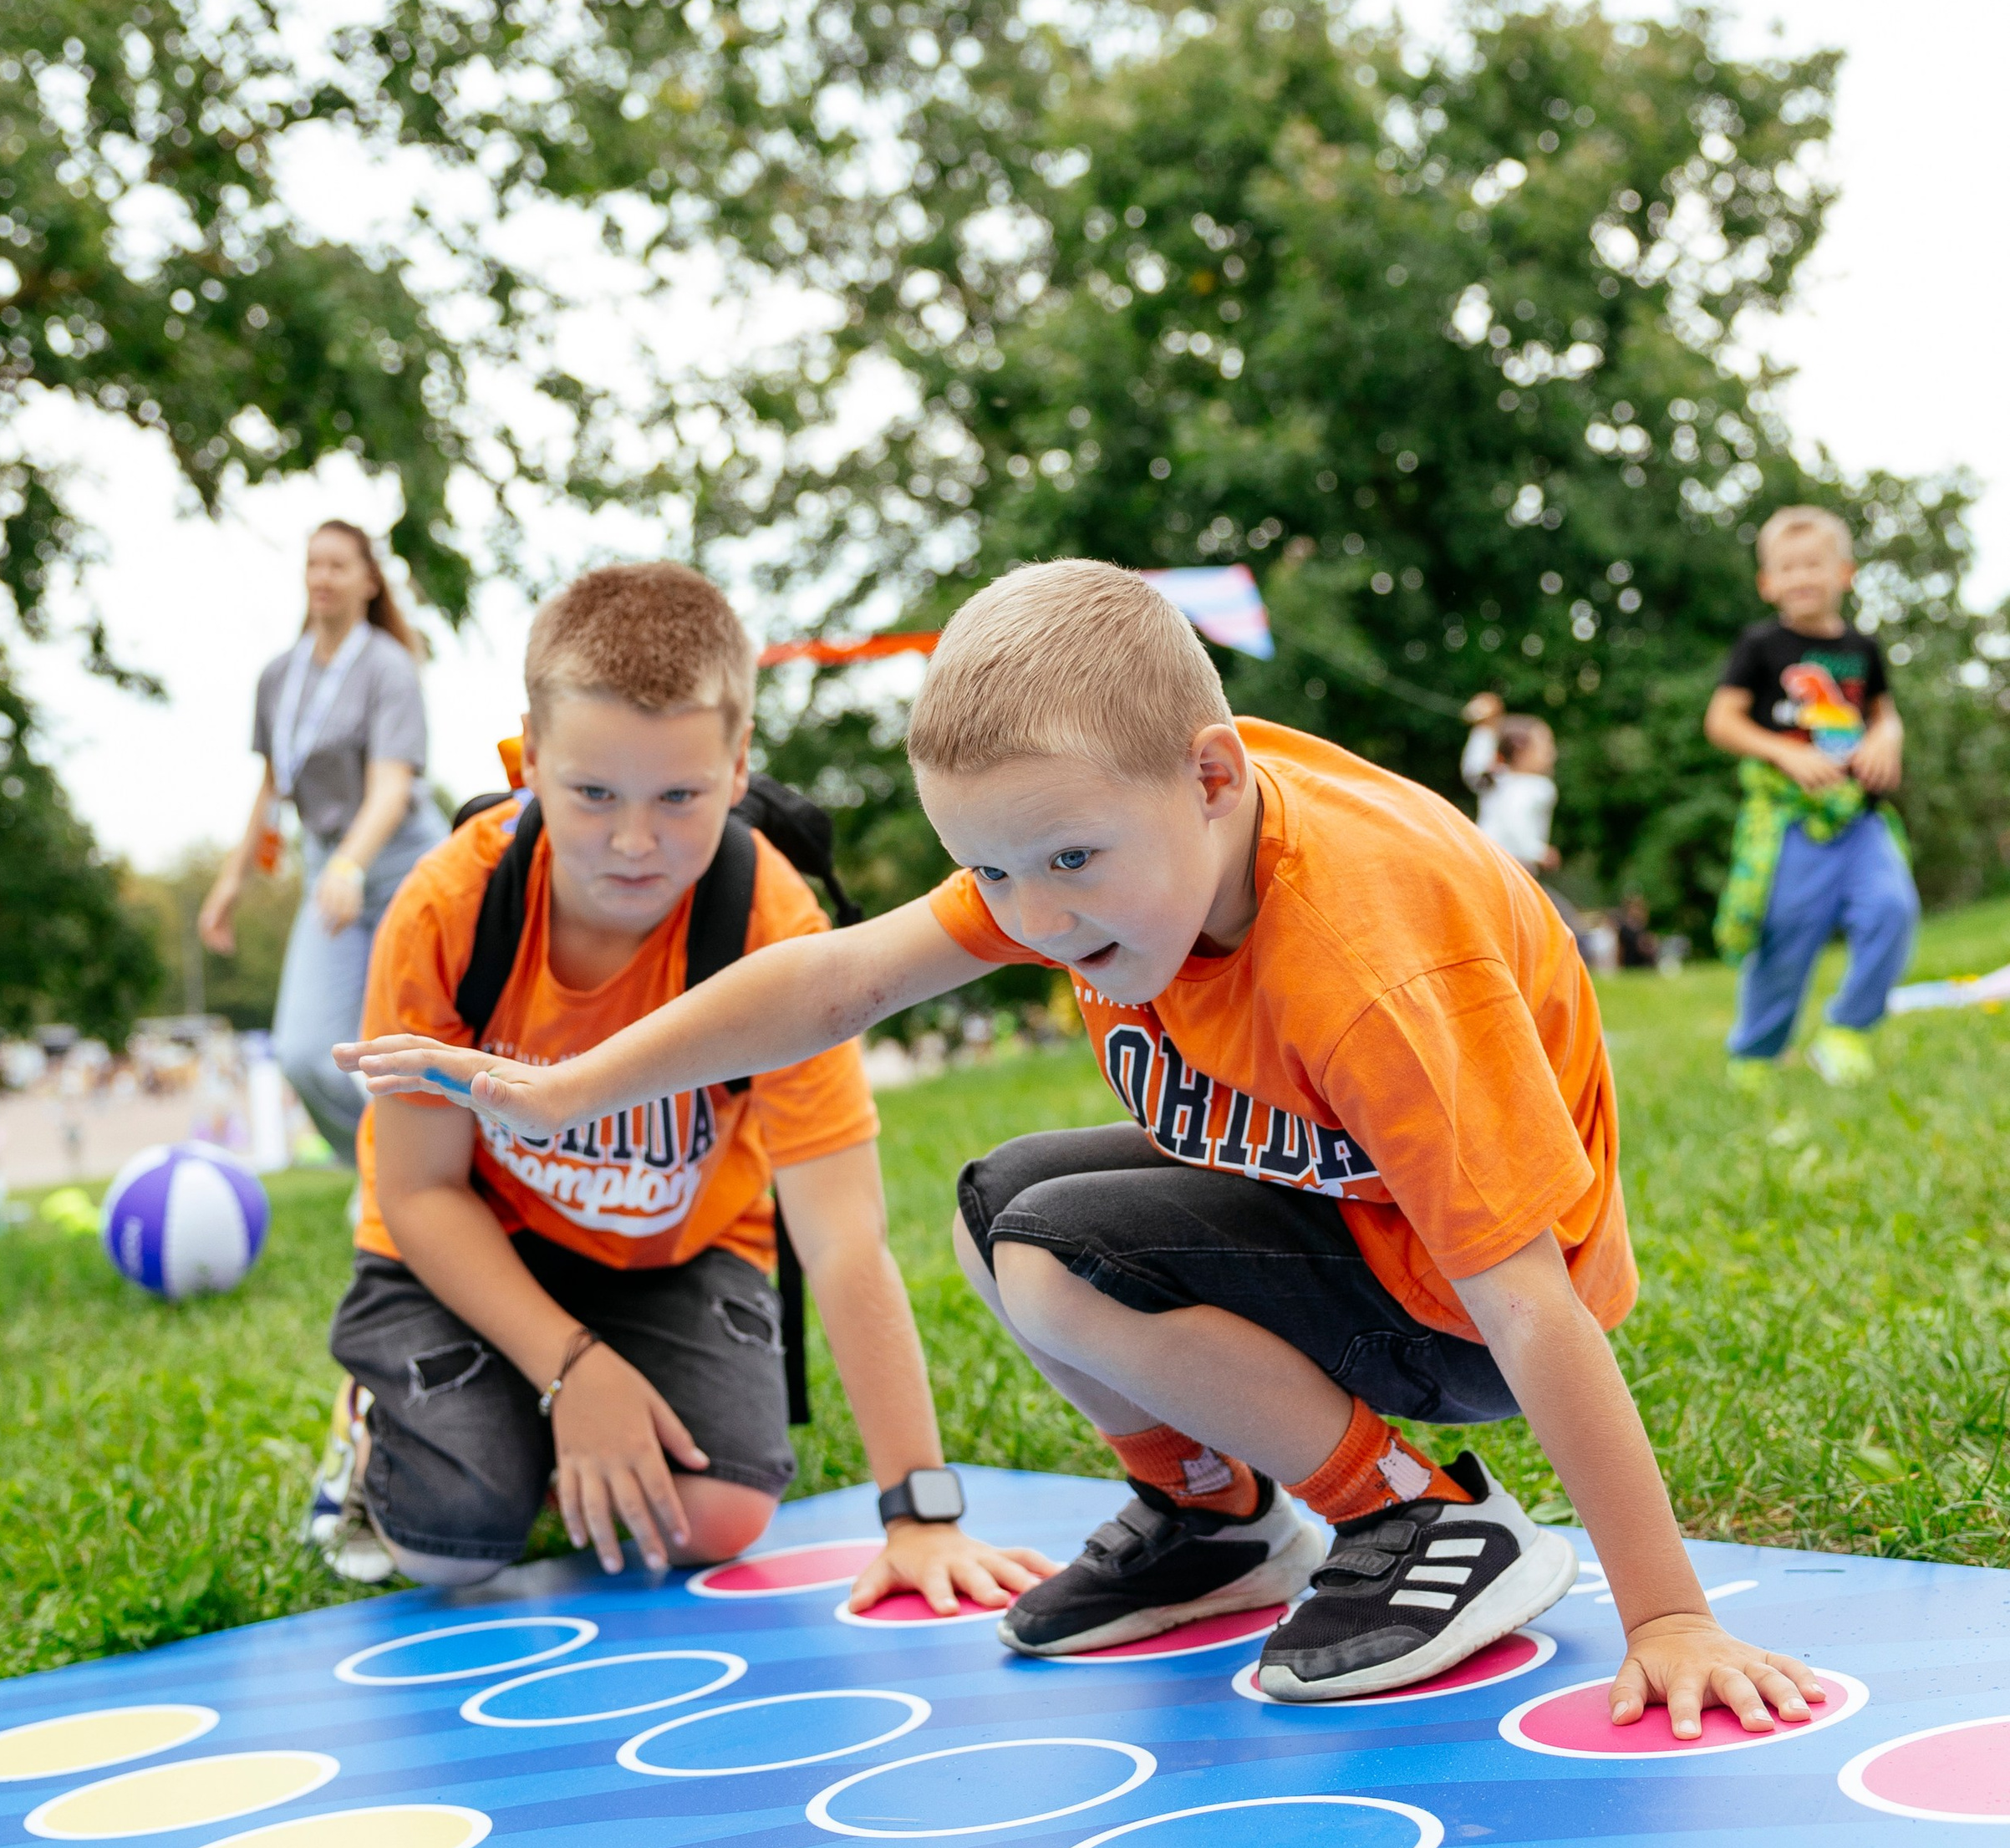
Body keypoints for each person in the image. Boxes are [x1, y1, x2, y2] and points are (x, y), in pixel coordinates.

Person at [344, 560, 1822, 1744]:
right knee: (1007, 1202)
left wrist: (1667, 1616)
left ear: (1212, 778)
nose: (1034, 918)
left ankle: (1424, 1522)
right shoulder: (1099, 839)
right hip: (1347, 1222)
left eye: (1061, 865)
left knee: (1064, 1261)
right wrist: (562, 1088)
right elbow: (838, 980)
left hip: (1461, 1316)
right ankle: (1216, 1522)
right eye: (988, 870)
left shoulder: (1369, 967)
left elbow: (1531, 1302)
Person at [315, 560, 1051, 1621]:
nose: (632, 840)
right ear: (530, 754)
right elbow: (420, 1192)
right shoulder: (450, 908)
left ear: (739, 763)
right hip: (476, 1239)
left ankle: (524, 1426)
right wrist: (574, 1371)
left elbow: (842, 1238)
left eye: (679, 797)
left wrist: (919, 1511)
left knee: (715, 1518)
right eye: (593, 794)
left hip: (674, 1258)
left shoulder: (771, 926)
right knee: (449, 1541)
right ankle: (388, 1420)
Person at [201, 521, 446, 1158]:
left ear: (369, 581)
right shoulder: (280, 676)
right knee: (306, 1053)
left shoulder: (389, 667)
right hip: (329, 870)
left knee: (414, 1046)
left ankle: (442, 1178)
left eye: (338, 566)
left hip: (404, 869)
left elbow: (391, 789)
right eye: (313, 565)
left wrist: (350, 866)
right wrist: (231, 882)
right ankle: (374, 1166)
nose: (322, 578)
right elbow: (270, 787)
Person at [1708, 504, 1917, 1087]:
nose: (1801, 577)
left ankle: (1847, 1030)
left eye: (1813, 565)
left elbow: (1884, 713)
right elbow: (1722, 721)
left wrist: (1888, 739)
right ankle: (1755, 1055)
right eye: (1787, 568)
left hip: (1857, 817)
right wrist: (1786, 752)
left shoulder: (1863, 647)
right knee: (1785, 938)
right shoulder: (1760, 645)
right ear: (1767, 582)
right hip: (1791, 822)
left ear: (1844, 573)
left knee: (1892, 909)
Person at [1459, 694, 1560, 873]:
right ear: (1520, 750)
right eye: (1545, 745)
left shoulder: (1506, 782)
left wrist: (1485, 728)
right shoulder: (1532, 786)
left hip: (1490, 861)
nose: (1551, 753)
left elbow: (1474, 769)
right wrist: (1538, 852)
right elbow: (1515, 821)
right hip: (1508, 866)